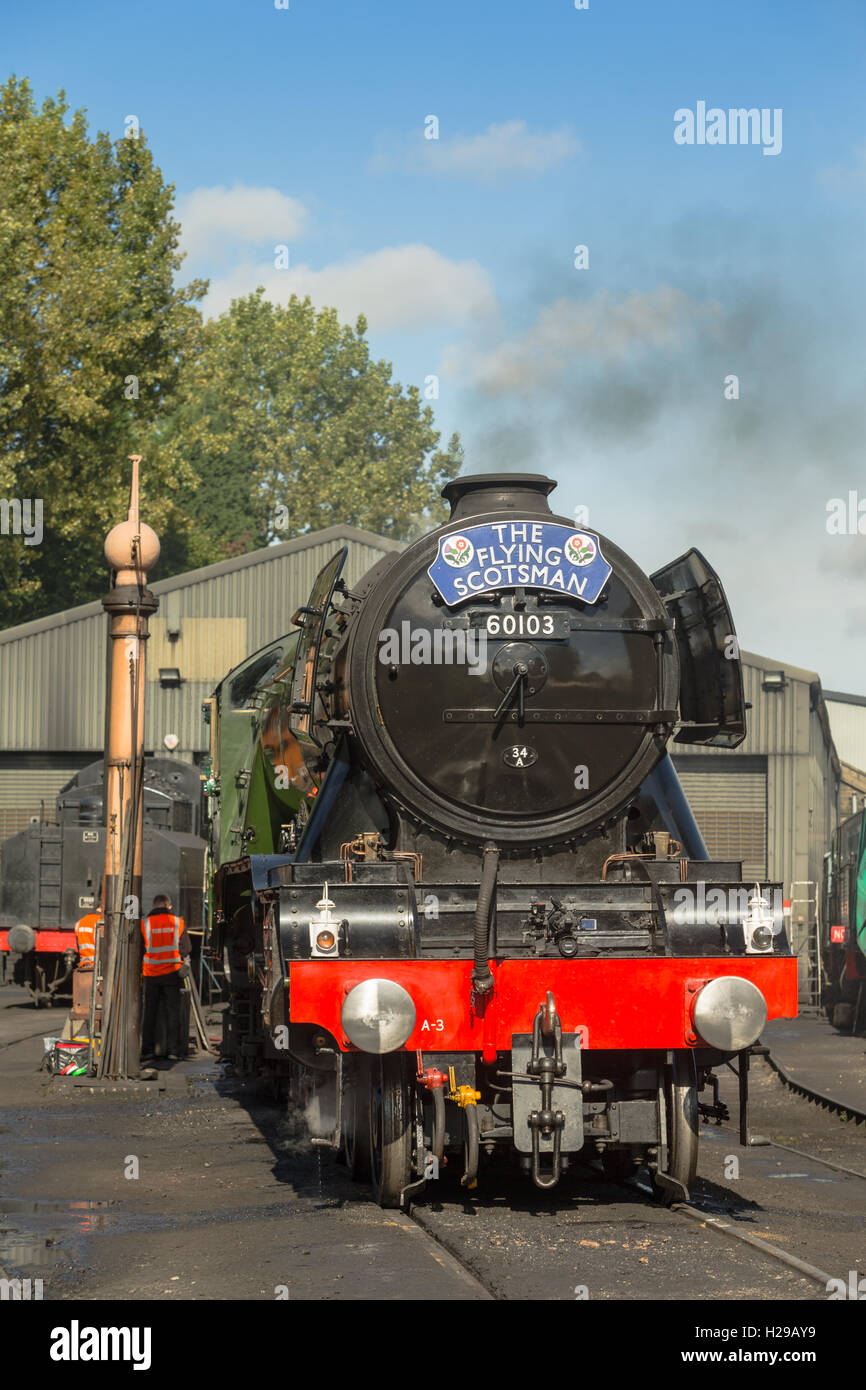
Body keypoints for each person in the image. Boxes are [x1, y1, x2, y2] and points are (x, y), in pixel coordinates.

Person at [140, 894, 191, 1064]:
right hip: (171, 974)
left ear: (154, 906)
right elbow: (186, 948)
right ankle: (173, 1051)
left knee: (150, 1014)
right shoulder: (178, 922)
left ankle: (147, 1051)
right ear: (167, 905)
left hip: (151, 974)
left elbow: (139, 949)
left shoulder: (145, 923)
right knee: (173, 1013)